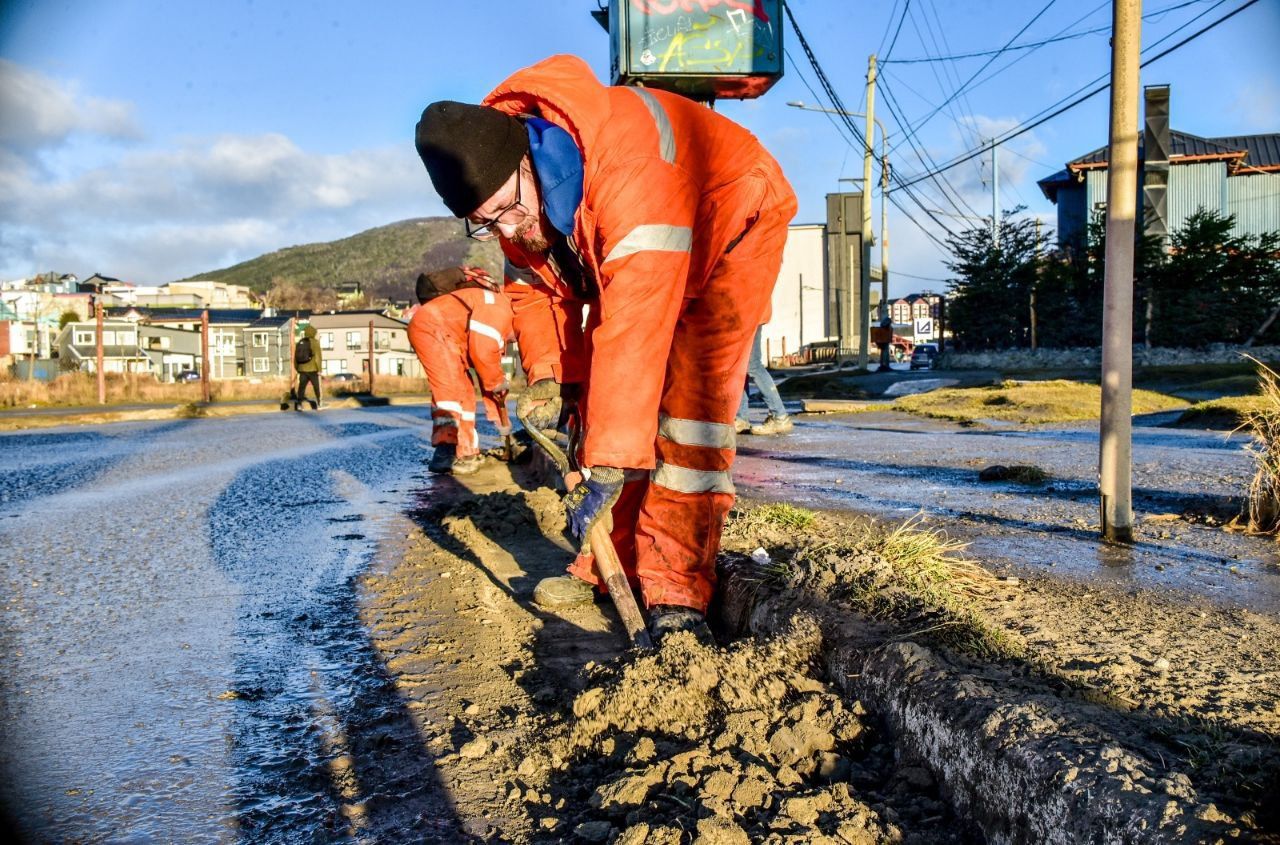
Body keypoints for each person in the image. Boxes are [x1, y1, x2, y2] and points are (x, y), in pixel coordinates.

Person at [414, 54, 797, 641]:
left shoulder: (628, 169)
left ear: (528, 164)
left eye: (508, 213)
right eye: (486, 225)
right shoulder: (521, 198)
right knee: (598, 409)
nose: (507, 232)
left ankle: (676, 591)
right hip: (646, 242)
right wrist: (553, 375)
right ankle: (605, 567)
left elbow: (634, 328)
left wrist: (610, 456)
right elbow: (537, 289)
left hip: (733, 223)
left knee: (687, 414)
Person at [407, 266, 513, 475]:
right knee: (450, 390)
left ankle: (466, 452)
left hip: (443, 331)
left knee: (465, 391)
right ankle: (445, 451)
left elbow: (487, 372)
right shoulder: (499, 308)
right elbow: (483, 354)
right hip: (432, 327)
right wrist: (496, 384)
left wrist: (501, 420)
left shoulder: (496, 309)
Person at [734, 325, 793, 436]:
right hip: (742, 317)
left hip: (749, 316)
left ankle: (780, 416)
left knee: (752, 364)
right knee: (741, 364)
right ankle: (741, 418)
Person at [294, 324, 322, 410]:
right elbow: (318, 357)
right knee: (317, 387)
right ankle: (319, 403)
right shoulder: (315, 342)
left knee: (301, 387)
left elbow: (295, 357)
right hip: (312, 369)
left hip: (302, 369)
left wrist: (297, 368)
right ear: (313, 333)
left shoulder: (300, 342)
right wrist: (319, 369)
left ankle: (299, 404)